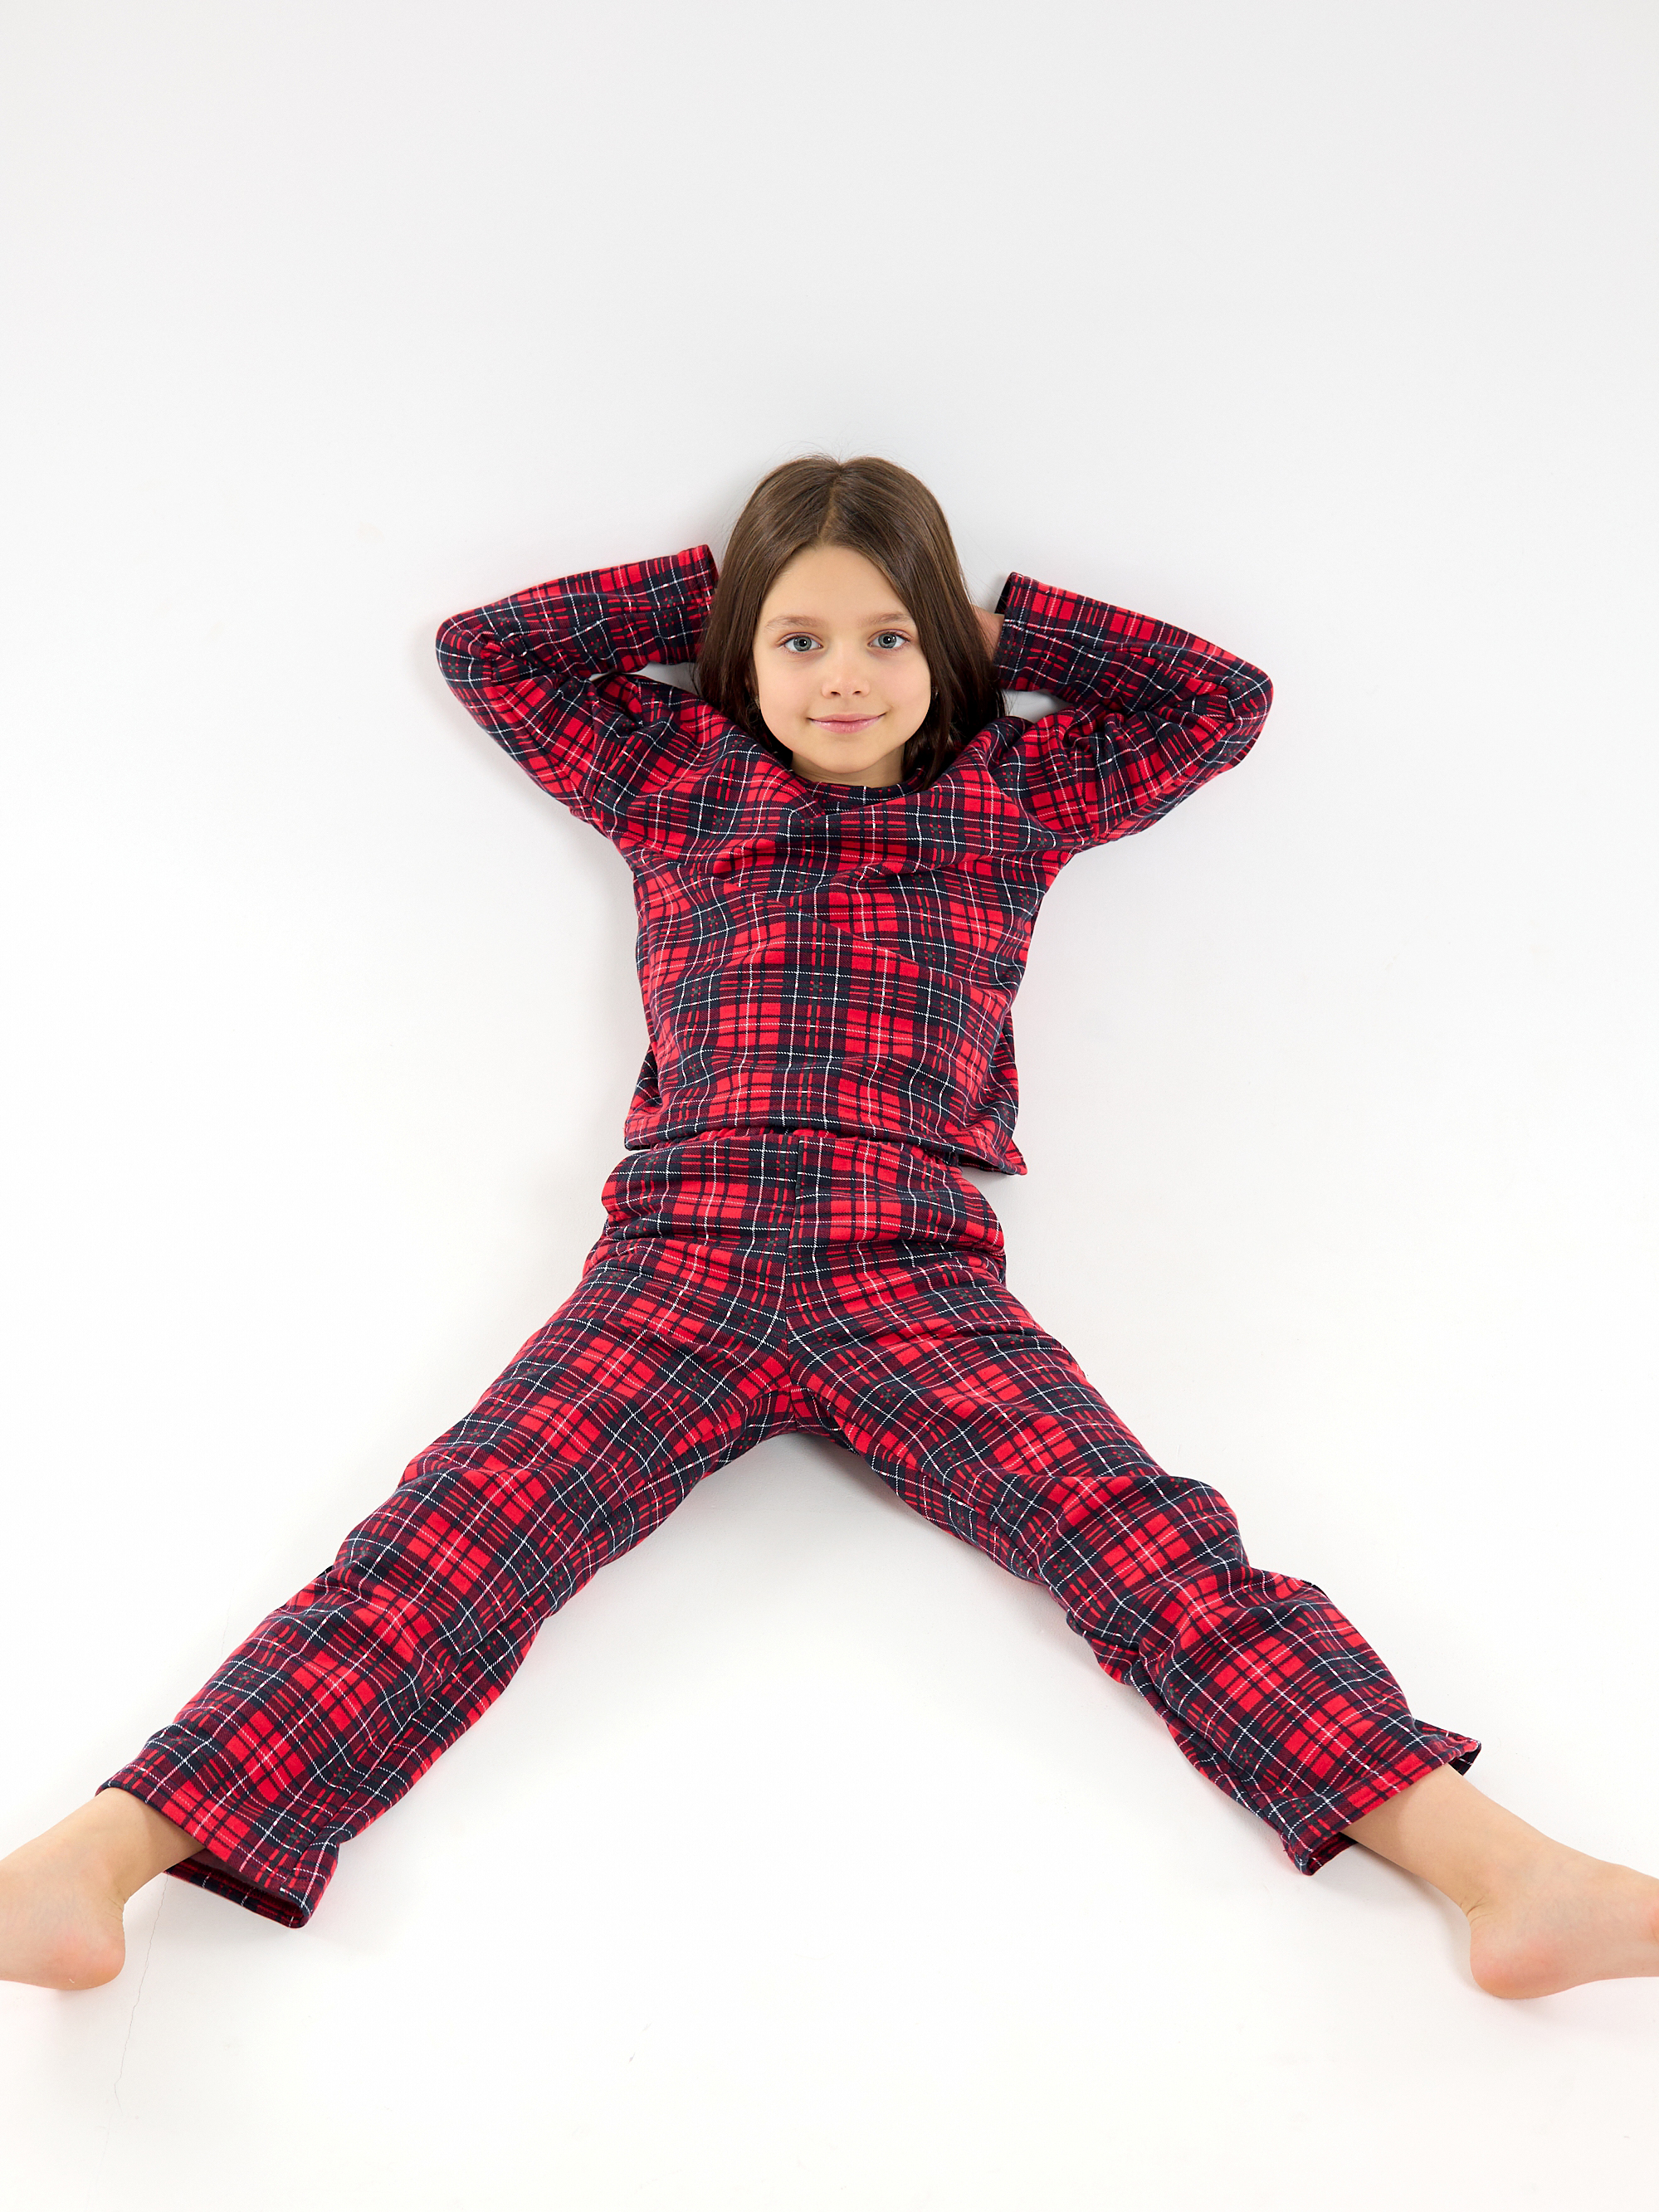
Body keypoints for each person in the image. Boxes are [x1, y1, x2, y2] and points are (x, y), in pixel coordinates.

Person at [3, 456, 1656, 2002]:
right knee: (450, 1543)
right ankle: (100, 1854)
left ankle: (1503, 1877)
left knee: (1148, 1548)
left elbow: (1219, 700)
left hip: (904, 1263)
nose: (843, 675)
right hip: (682, 1255)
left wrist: (988, 629)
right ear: (746, 654)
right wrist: (716, 605)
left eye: (885, 636)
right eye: (798, 640)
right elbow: (487, 652)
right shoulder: (673, 774)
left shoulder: (1015, 793)